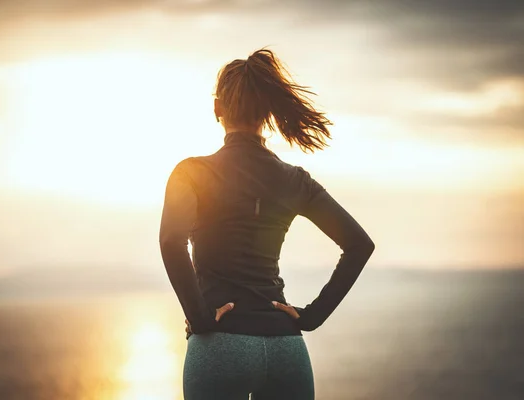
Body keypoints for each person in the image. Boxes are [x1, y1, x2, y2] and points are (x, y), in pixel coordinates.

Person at [159, 48, 375, 400]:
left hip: (221, 346)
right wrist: (310, 317)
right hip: (286, 350)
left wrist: (199, 318)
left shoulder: (192, 173)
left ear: (217, 109)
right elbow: (359, 245)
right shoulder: (296, 180)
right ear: (268, 112)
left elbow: (171, 240)